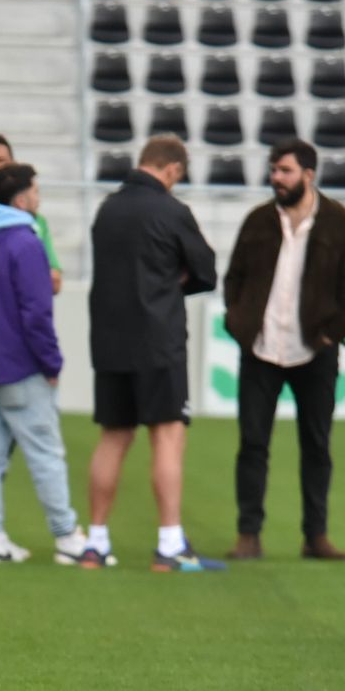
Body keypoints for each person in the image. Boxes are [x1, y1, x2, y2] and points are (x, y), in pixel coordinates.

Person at [82, 134, 225, 572]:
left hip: (109, 339)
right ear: (173, 170)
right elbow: (206, 270)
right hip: (157, 340)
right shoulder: (171, 210)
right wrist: (175, 278)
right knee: (167, 435)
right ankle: (168, 544)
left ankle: (96, 542)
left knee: (113, 436)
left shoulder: (107, 210)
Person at [220, 139, 345, 561]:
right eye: (273, 170)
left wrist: (328, 334)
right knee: (252, 444)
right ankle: (248, 534)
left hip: (315, 352)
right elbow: (234, 279)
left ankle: (315, 536)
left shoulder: (339, 223)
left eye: (284, 170)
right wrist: (239, 323)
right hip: (261, 349)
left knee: (317, 445)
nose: (276, 178)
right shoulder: (258, 222)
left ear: (308, 174)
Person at [0, 163, 86, 564]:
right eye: (34, 191)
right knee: (45, 450)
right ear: (20, 199)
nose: (38, 198)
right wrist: (51, 362)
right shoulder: (25, 243)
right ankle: (67, 536)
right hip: (21, 364)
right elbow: (36, 312)